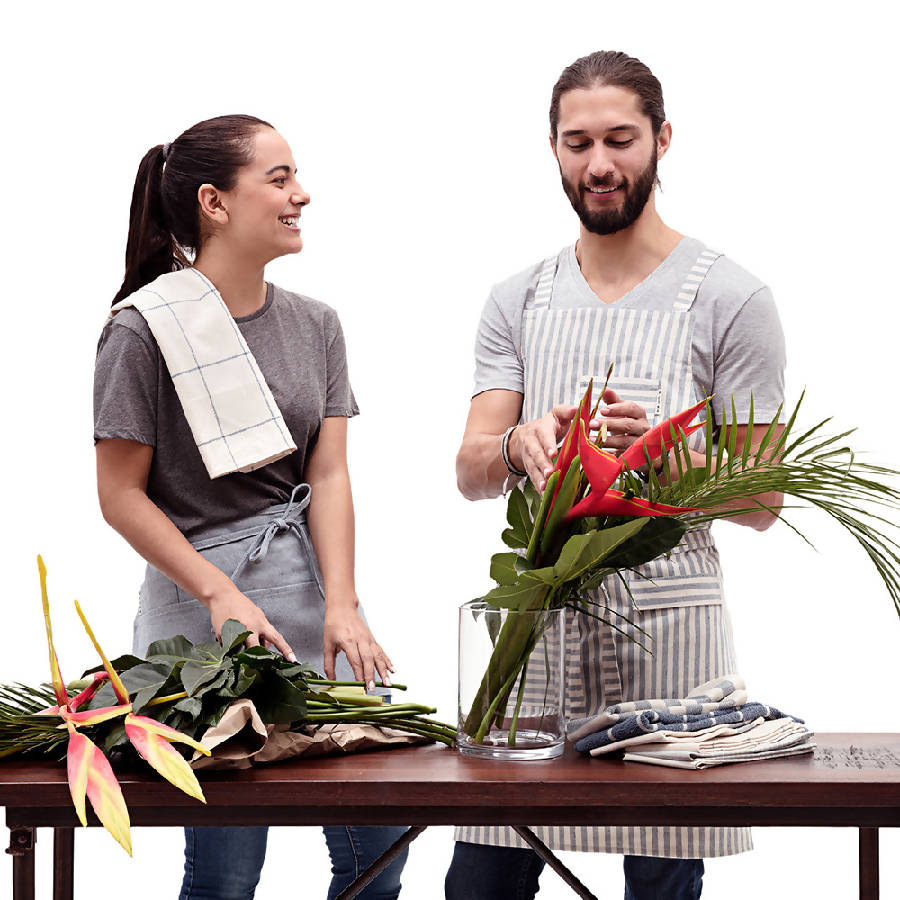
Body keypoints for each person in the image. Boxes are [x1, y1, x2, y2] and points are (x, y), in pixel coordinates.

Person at [448, 51, 786, 900]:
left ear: (662, 140)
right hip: (540, 628)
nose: (599, 164)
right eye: (578, 142)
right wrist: (519, 442)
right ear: (554, 149)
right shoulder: (517, 298)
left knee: (663, 880)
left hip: (671, 631)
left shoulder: (732, 298)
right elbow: (470, 469)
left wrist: (674, 459)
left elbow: (765, 496)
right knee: (480, 880)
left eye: (621, 140)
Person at [93, 114, 409, 900]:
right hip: (202, 616)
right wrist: (219, 593)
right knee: (229, 871)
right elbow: (118, 494)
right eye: (278, 178)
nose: (302, 194)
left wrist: (343, 603)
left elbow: (329, 476)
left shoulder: (317, 326)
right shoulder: (142, 332)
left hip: (306, 595)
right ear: (214, 202)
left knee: (384, 841)